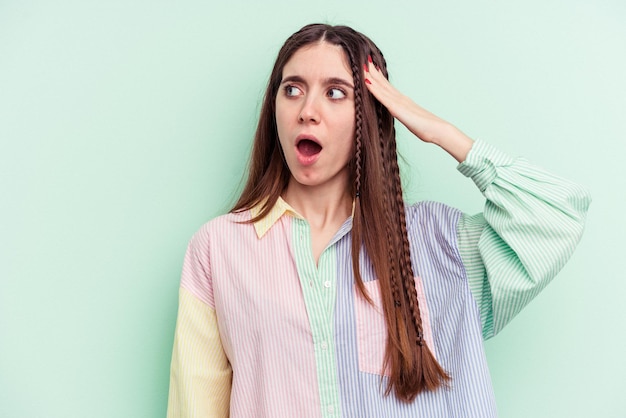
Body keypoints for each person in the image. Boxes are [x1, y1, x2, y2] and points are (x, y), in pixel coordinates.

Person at [166, 23, 591, 417]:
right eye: (292, 89)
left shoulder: (436, 242)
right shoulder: (218, 250)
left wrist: (440, 132)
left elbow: (556, 218)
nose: (307, 111)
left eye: (336, 93)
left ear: (367, 112)